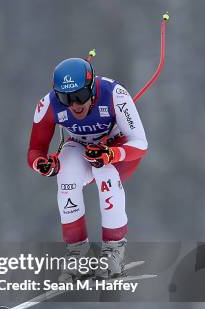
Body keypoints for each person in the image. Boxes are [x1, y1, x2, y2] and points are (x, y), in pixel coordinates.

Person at [27, 57, 148, 281]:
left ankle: (113, 251)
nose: (75, 105)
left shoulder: (115, 94)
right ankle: (77, 254)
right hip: (83, 149)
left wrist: (111, 153)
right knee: (65, 171)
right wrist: (42, 164)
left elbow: (140, 143)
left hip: (118, 153)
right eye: (66, 98)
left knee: (104, 171)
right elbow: (35, 150)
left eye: (80, 96)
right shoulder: (48, 104)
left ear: (92, 87)